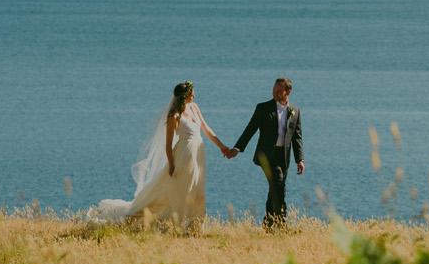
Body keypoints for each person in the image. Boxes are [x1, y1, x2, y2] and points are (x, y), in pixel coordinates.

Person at [87, 81, 232, 230]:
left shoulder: (194, 107)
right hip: (184, 155)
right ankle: (179, 224)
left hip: (198, 154)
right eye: (191, 93)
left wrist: (221, 146)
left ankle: (195, 223)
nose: (194, 96)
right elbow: (168, 143)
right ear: (184, 96)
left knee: (198, 188)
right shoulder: (174, 116)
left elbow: (206, 129)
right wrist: (171, 164)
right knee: (184, 189)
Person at [228, 77, 304, 228]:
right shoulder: (263, 108)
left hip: (284, 156)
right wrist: (237, 148)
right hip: (267, 156)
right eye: (274, 90)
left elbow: (297, 137)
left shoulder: (295, 110)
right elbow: (250, 129)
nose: (275, 93)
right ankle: (282, 225)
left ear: (288, 92)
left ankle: (268, 225)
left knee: (274, 190)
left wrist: (300, 159)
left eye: (279, 91)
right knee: (279, 186)